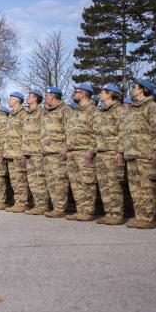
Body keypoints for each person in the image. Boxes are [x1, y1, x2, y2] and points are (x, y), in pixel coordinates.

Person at [123, 79, 156, 229]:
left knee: (147, 188)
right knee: (135, 188)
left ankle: (148, 218)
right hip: (132, 154)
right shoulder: (134, 109)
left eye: (135, 87)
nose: (133, 89)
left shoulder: (152, 107)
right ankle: (140, 217)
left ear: (143, 90)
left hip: (146, 154)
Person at [65, 83, 98, 221]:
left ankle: (88, 211)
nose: (74, 94)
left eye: (76, 91)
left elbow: (99, 134)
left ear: (84, 93)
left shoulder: (94, 111)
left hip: (85, 152)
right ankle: (81, 210)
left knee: (87, 182)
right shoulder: (74, 112)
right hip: (72, 152)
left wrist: (91, 150)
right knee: (76, 183)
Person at [94, 84, 126, 225]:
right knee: (104, 185)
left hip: (113, 153)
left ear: (110, 94)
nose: (100, 94)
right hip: (100, 152)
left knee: (114, 185)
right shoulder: (101, 111)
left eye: (102, 91)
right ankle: (109, 213)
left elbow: (124, 132)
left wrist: (120, 151)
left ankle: (117, 214)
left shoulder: (119, 110)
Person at [41, 87, 72, 218]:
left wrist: (65, 148)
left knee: (60, 182)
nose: (45, 98)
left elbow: (69, 131)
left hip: (59, 153)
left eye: (46, 96)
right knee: (51, 182)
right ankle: (55, 207)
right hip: (47, 153)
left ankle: (60, 208)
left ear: (53, 97)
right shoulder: (46, 112)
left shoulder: (65, 110)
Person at [21, 90, 49, 215]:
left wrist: (44, 150)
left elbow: (45, 132)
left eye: (30, 96)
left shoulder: (41, 113)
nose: (27, 98)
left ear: (36, 99)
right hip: (28, 152)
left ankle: (43, 205)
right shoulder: (27, 114)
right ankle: (37, 204)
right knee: (32, 181)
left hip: (38, 151)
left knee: (40, 180)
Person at [4, 92, 30, 213]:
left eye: (11, 98)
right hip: (10, 152)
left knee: (21, 179)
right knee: (14, 180)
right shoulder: (11, 115)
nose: (8, 100)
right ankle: (18, 201)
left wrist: (23, 152)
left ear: (17, 100)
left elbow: (26, 134)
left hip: (19, 152)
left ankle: (23, 202)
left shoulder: (24, 114)